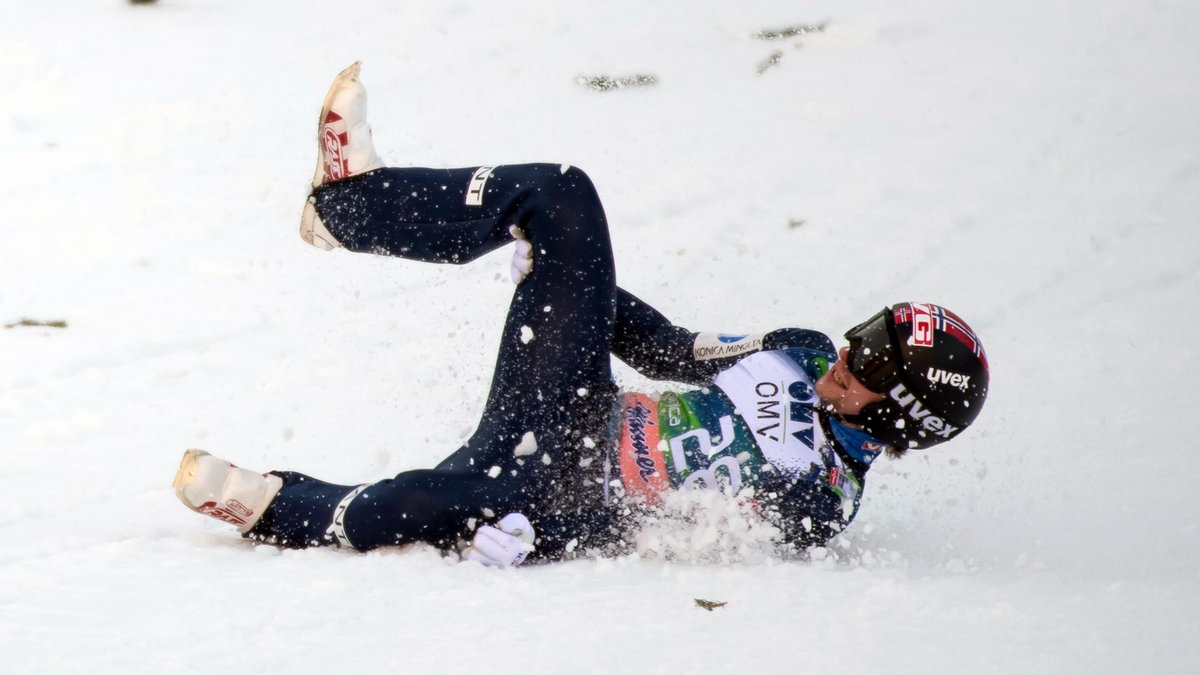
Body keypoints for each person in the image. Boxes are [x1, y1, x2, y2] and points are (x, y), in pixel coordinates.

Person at [172, 62, 990, 565]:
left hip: (561, 491)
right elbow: (670, 349)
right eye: (872, 328)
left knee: (424, 503)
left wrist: (549, 536)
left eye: (878, 357)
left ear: (904, 415)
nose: (853, 348)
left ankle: (273, 504)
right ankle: (348, 206)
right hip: (569, 403)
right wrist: (565, 279)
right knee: (562, 194)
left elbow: (668, 533)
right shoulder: (804, 351)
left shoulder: (816, 500)